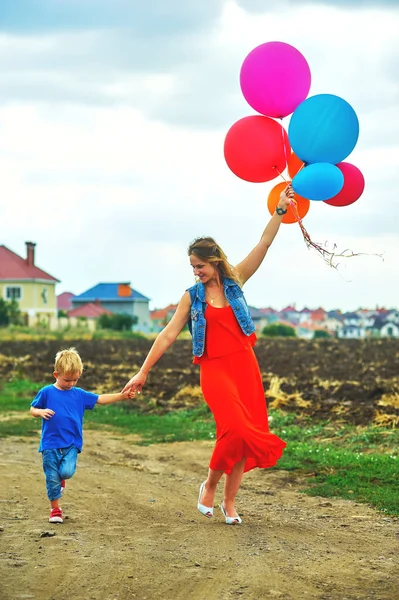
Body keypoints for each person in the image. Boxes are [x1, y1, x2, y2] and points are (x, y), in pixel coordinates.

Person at [123, 184, 294, 525]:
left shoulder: (236, 282)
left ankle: (230, 504)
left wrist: (279, 210)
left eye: (199, 266)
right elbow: (168, 334)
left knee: (247, 436)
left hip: (245, 365)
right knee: (233, 428)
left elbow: (263, 244)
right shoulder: (191, 297)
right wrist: (142, 372)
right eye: (192, 267)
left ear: (214, 262)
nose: (196, 272)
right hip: (214, 369)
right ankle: (210, 485)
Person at [30, 347, 134, 524]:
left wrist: (121, 396)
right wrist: (40, 412)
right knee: (51, 478)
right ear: (56, 374)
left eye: (75, 380)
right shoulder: (46, 392)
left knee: (66, 472)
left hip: (71, 444)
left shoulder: (79, 394)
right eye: (67, 380)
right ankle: (55, 510)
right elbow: (32, 409)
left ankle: (62, 481)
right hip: (50, 444)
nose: (71, 383)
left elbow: (100, 398)